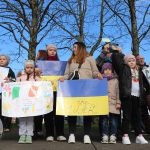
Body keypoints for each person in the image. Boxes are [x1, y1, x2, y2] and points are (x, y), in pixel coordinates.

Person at [60, 41, 103, 144]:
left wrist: (97, 75)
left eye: (75, 47)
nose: (73, 49)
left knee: (87, 111)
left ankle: (87, 135)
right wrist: (62, 78)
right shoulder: (70, 60)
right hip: (73, 89)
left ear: (81, 48)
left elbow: (94, 71)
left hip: (87, 89)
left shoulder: (90, 58)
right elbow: (67, 74)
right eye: (73, 47)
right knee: (72, 111)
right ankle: (71, 134)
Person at [111, 50, 148, 144]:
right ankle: (125, 135)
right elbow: (116, 60)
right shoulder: (123, 69)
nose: (132, 62)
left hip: (137, 96)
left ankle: (139, 135)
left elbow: (144, 82)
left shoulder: (139, 70)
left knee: (137, 117)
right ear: (125, 62)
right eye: (129, 60)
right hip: (127, 96)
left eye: (133, 60)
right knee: (127, 116)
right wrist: (117, 52)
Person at [34, 45, 66, 142]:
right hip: (46, 91)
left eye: (54, 50)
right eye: (50, 50)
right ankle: (49, 134)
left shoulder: (61, 64)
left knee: (59, 112)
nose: (52, 52)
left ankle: (60, 134)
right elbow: (35, 75)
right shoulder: (40, 64)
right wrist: (37, 71)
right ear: (47, 51)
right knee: (48, 113)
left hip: (59, 90)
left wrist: (64, 77)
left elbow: (65, 74)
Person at [17, 60, 40, 144]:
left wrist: (48, 83)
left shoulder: (36, 78)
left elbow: (41, 85)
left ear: (33, 68)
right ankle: (22, 135)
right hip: (22, 102)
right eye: (27, 67)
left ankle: (29, 135)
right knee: (22, 118)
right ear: (24, 68)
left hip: (32, 102)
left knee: (30, 119)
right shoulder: (20, 77)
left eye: (31, 67)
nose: (29, 69)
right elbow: (15, 87)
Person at [100, 62, 121, 144]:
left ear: (112, 70)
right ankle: (104, 135)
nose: (107, 71)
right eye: (105, 70)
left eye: (109, 69)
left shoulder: (115, 80)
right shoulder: (101, 79)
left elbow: (118, 92)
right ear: (102, 71)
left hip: (113, 102)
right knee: (104, 120)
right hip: (103, 102)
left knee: (113, 120)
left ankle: (113, 135)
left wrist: (118, 102)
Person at [0, 54, 16, 132]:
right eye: (0, 59)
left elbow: (14, 79)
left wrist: (9, 79)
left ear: (8, 61)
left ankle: (7, 126)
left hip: (6, 92)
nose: (1, 60)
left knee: (6, 108)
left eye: (4, 59)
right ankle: (1, 125)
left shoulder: (9, 69)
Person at [136, 55, 150, 133]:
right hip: (140, 93)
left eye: (142, 58)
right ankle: (146, 129)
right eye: (139, 59)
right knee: (142, 111)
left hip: (148, 92)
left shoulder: (147, 68)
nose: (141, 60)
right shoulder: (136, 69)